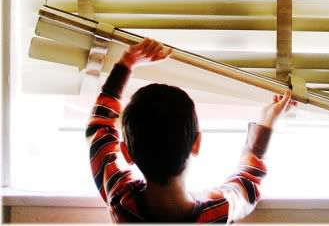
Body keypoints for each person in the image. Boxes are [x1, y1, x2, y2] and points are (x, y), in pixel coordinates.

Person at [86, 38, 296, 223]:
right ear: (197, 143)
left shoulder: (121, 200)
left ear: (126, 152)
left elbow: (99, 128)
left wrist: (126, 64)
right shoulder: (219, 212)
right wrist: (266, 121)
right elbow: (248, 184)